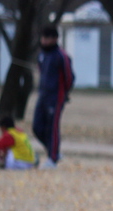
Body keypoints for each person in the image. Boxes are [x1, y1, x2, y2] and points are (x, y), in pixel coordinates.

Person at [32, 24, 73, 168]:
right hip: (43, 95)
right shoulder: (41, 54)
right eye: (42, 37)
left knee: (52, 127)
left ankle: (52, 158)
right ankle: (54, 150)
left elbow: (69, 77)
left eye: (46, 38)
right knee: (37, 126)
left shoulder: (61, 56)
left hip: (55, 97)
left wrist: (64, 92)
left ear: (54, 39)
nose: (43, 40)